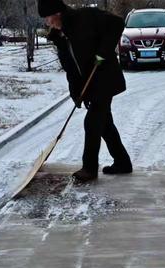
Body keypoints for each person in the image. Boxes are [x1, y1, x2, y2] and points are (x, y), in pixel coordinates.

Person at [38, 0, 133, 184]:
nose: (47, 23)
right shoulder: (60, 36)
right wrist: (77, 93)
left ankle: (89, 168)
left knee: (92, 122)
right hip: (89, 85)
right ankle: (122, 162)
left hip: (104, 78)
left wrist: (103, 52)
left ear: (57, 13)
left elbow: (117, 23)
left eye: (47, 18)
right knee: (104, 123)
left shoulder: (86, 17)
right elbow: (71, 70)